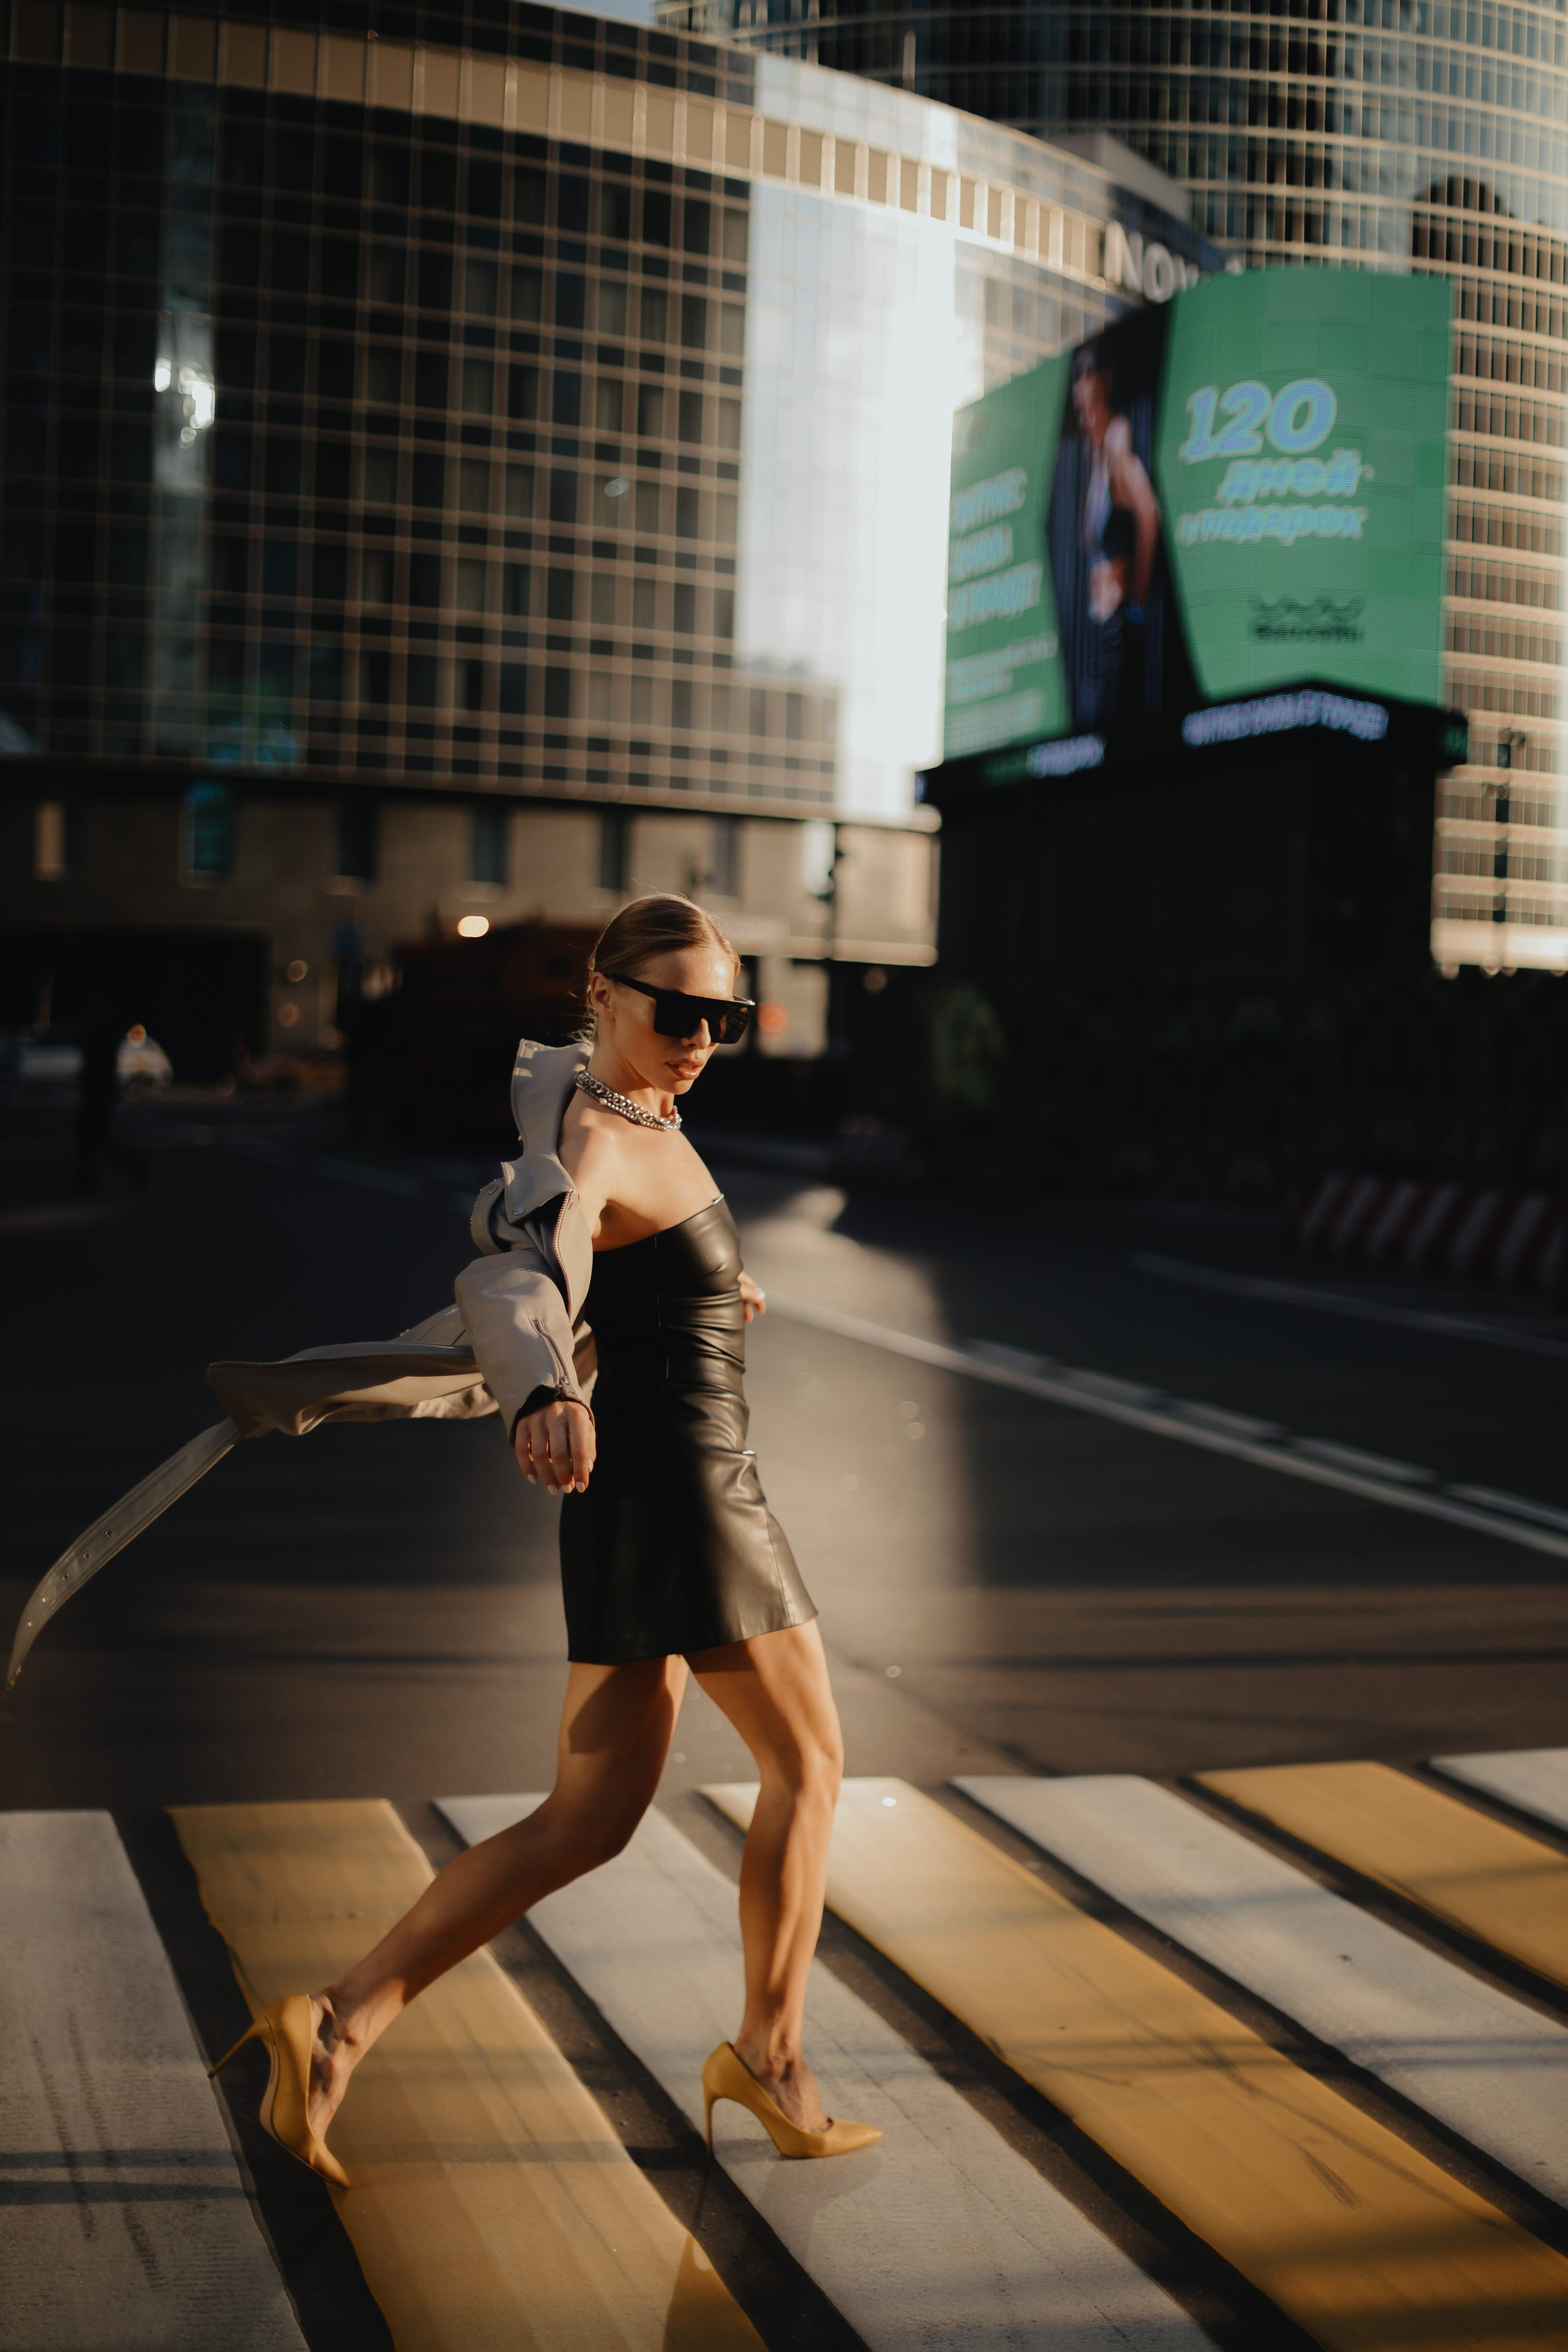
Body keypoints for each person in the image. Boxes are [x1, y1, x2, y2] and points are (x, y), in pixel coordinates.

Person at [209, 894, 879, 2179]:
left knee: (585, 1818)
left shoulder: (639, 1115)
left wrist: (708, 1293)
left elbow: (620, 1269)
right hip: (690, 1494)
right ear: (602, 994)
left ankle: (335, 2025)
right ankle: (771, 2055)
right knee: (810, 1765)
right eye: (675, 1011)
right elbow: (523, 1269)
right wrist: (543, 1388)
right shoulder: (594, 1134)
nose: (698, 1037)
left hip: (655, 1494)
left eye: (722, 1017)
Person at [1066, 342, 1162, 729]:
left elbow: (1149, 514)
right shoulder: (1096, 455)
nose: (1086, 419)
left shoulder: (1120, 444)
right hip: (1097, 634)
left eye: (1092, 408)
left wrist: (1137, 599)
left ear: (1105, 387)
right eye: (1081, 412)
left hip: (1116, 636)